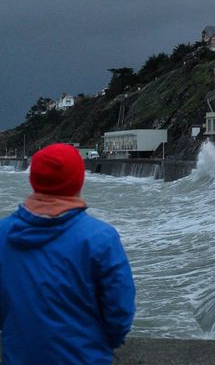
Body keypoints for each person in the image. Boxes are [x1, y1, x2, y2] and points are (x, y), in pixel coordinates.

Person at [0, 143, 136, 364]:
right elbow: (119, 310)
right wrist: (103, 343)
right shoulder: (100, 238)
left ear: (34, 179)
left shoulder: (3, 234)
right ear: (78, 181)